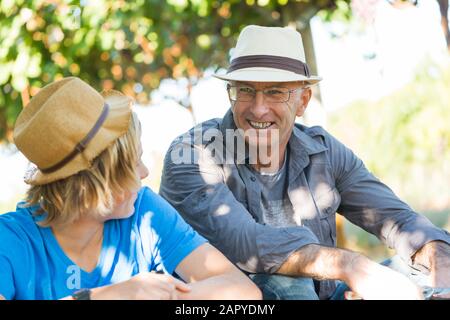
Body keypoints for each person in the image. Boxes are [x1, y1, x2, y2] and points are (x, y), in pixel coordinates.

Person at [159, 25, 450, 300]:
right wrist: (351, 266)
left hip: (323, 294)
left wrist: (440, 265)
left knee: (428, 261)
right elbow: (245, 244)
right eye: (246, 90)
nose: (259, 108)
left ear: (303, 101)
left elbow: (400, 221)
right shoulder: (192, 155)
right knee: (290, 284)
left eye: (275, 91)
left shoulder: (323, 150)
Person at [0, 77, 261, 300]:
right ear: (93, 182)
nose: (145, 172)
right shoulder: (10, 239)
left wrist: (164, 295)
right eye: (134, 162)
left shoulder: (144, 213)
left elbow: (243, 291)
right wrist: (110, 295)